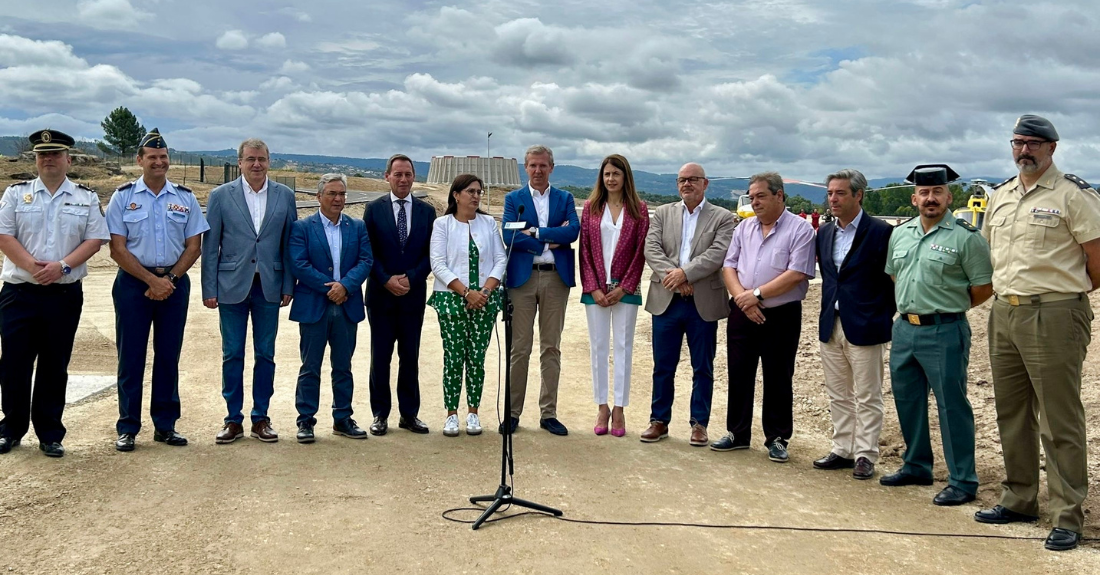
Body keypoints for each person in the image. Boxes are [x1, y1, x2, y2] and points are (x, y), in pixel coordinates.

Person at [974, 115, 1100, 552]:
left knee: (1059, 418)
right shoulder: (1003, 195)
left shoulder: (1074, 196)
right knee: (1012, 413)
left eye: (1032, 143)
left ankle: (1067, 516)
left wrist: (1062, 297)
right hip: (1004, 314)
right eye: (1017, 142)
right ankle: (1019, 498)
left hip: (1054, 314)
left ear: (1052, 148)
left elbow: (1096, 263)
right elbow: (989, 255)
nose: (1023, 149)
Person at [881, 164, 992, 507]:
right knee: (908, 401)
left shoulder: (966, 237)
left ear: (949, 196)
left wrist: (946, 309)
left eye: (937, 192)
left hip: (945, 330)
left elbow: (983, 288)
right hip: (904, 328)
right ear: (914, 198)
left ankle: (962, 480)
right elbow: (894, 276)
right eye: (924, 193)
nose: (931, 198)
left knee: (951, 405)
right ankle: (916, 465)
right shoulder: (900, 234)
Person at [0, 129, 110, 458]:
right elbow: (4, 235)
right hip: (19, 291)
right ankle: (11, 428)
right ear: (35, 159)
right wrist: (35, 268)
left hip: (63, 295)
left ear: (68, 159)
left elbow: (95, 240)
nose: (48, 159)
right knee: (14, 363)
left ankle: (50, 432)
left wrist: (60, 267)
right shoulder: (15, 194)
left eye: (55, 154)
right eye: (42, 154)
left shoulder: (85, 197)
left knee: (54, 363)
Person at [106, 129, 209, 452]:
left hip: (174, 284)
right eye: (152, 157)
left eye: (163, 157)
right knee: (131, 357)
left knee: (168, 356)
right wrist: (151, 281)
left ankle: (165, 425)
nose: (159, 162)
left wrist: (171, 280)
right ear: (140, 161)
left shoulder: (184, 197)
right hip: (134, 284)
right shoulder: (123, 197)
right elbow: (117, 249)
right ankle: (128, 427)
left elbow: (195, 245)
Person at [711, 172, 815, 463]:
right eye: (751, 196)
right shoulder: (744, 229)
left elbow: (796, 273)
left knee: (779, 375)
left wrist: (755, 295)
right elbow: (729, 265)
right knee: (739, 372)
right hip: (742, 312)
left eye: (760, 196)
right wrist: (743, 299)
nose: (754, 202)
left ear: (779, 195)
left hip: (781, 314)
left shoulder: (800, 230)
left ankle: (777, 437)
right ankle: (737, 433)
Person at [202, 138, 297, 444]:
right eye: (251, 159)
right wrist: (209, 287)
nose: (257, 164)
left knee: (265, 354)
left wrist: (287, 285)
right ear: (239, 162)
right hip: (231, 286)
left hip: (269, 286)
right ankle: (233, 419)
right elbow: (211, 245)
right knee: (232, 354)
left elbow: (288, 245)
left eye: (262, 159)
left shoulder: (285, 196)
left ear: (270, 162)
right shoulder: (220, 196)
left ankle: (261, 417)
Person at [640, 163, 735, 446]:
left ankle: (699, 423)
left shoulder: (722, 217)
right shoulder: (663, 213)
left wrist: (686, 273)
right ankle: (659, 421)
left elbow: (718, 253)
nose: (687, 184)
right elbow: (651, 248)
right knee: (663, 365)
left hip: (702, 302)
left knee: (702, 366)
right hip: (667, 300)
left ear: (706, 184)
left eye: (693, 179)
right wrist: (675, 276)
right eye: (682, 180)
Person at [811, 169, 895, 479]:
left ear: (858, 195)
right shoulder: (824, 233)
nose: (832, 198)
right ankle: (842, 449)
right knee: (838, 393)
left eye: (840, 193)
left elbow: (893, 283)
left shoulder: (881, 232)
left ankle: (865, 454)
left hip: (866, 325)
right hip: (830, 323)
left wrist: (882, 316)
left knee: (868, 395)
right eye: (830, 193)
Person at [500, 145, 580, 436]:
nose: (537, 170)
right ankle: (512, 413)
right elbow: (508, 235)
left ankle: (549, 413)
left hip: (555, 279)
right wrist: (548, 238)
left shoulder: (565, 198)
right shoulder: (514, 199)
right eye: (532, 165)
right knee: (519, 348)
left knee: (551, 347)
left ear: (552, 167)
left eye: (543, 166)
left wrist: (534, 233)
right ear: (526, 167)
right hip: (522, 280)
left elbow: (573, 231)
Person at [288, 174, 373, 443]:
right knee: (310, 366)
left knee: (343, 366)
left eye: (342, 194)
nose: (338, 199)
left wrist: (345, 286)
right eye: (332, 194)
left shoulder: (357, 227)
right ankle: (305, 421)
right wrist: (330, 288)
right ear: (319, 197)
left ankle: (342, 418)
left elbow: (365, 260)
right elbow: (298, 264)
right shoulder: (302, 228)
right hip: (315, 305)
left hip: (347, 305)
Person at [428, 174, 505, 436]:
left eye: (479, 192)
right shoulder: (442, 225)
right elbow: (437, 263)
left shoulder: (488, 224)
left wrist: (484, 291)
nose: (475, 196)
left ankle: (473, 412)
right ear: (456, 195)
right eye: (470, 191)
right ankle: (451, 414)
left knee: (476, 359)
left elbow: (500, 259)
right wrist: (466, 293)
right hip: (451, 300)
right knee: (453, 358)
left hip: (485, 300)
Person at [363, 154, 434, 436]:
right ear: (387, 177)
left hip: (412, 295)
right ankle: (380, 414)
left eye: (408, 174)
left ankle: (409, 415)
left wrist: (412, 278)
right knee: (380, 357)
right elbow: (367, 251)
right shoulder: (373, 209)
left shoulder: (427, 212)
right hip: (381, 296)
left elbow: (432, 254)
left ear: (413, 177)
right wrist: (385, 279)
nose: (403, 179)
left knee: (410, 356)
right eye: (398, 174)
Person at [579, 155, 649, 437]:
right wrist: (593, 287)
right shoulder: (591, 208)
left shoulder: (639, 210)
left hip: (625, 290)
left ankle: (619, 408)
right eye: (606, 174)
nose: (611, 179)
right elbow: (583, 250)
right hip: (595, 291)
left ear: (625, 177)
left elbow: (640, 252)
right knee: (598, 348)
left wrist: (625, 287)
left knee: (623, 347)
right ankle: (602, 406)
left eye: (616, 174)